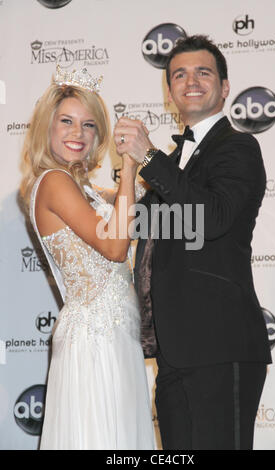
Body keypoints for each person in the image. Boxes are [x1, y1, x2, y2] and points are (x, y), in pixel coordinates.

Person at [113, 35, 272, 450]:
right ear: (169, 92)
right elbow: (141, 224)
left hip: (220, 346)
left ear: (224, 88)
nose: (191, 81)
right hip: (173, 351)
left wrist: (148, 157)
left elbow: (211, 217)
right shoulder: (176, 157)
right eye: (179, 74)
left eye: (204, 72)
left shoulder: (237, 146)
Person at [20, 66, 154, 450]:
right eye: (66, 121)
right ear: (48, 126)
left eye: (89, 125)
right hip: (95, 338)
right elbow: (114, 247)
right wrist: (129, 167)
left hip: (115, 335)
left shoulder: (81, 187)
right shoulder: (54, 182)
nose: (77, 134)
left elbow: (135, 210)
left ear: (99, 134)